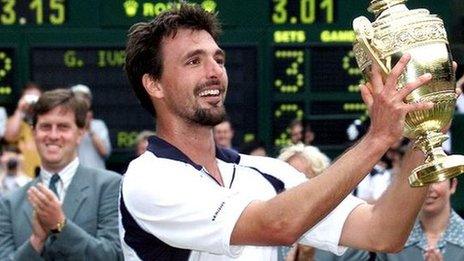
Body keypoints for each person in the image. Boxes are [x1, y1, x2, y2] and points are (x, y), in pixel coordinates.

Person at [120, 3, 437, 260]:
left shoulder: (269, 172)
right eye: (194, 61)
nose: (215, 72)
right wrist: (377, 138)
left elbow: (381, 232)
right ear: (154, 84)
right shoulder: (148, 178)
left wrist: (427, 126)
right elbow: (277, 225)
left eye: (219, 59)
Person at [0, 89, 122, 260]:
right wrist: (36, 241)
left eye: (63, 127)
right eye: (45, 127)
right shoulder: (9, 203)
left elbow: (113, 256)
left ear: (80, 133)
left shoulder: (109, 186)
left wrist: (60, 226)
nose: (54, 135)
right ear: (34, 132)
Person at [377, 178, 464, 261]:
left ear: (453, 185)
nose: (428, 188)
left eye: (436, 180)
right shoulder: (391, 238)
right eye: (421, 179)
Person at [4, 82, 42, 178]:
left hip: (41, 176)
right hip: (21, 178)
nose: (32, 103)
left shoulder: (47, 123)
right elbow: (9, 137)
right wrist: (20, 110)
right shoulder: (16, 121)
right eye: (29, 98)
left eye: (36, 98)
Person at [71, 84, 112, 169]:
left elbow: (105, 152)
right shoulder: (67, 125)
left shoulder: (99, 125)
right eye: (77, 98)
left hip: (97, 177)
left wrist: (90, 130)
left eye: (85, 98)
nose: (81, 101)